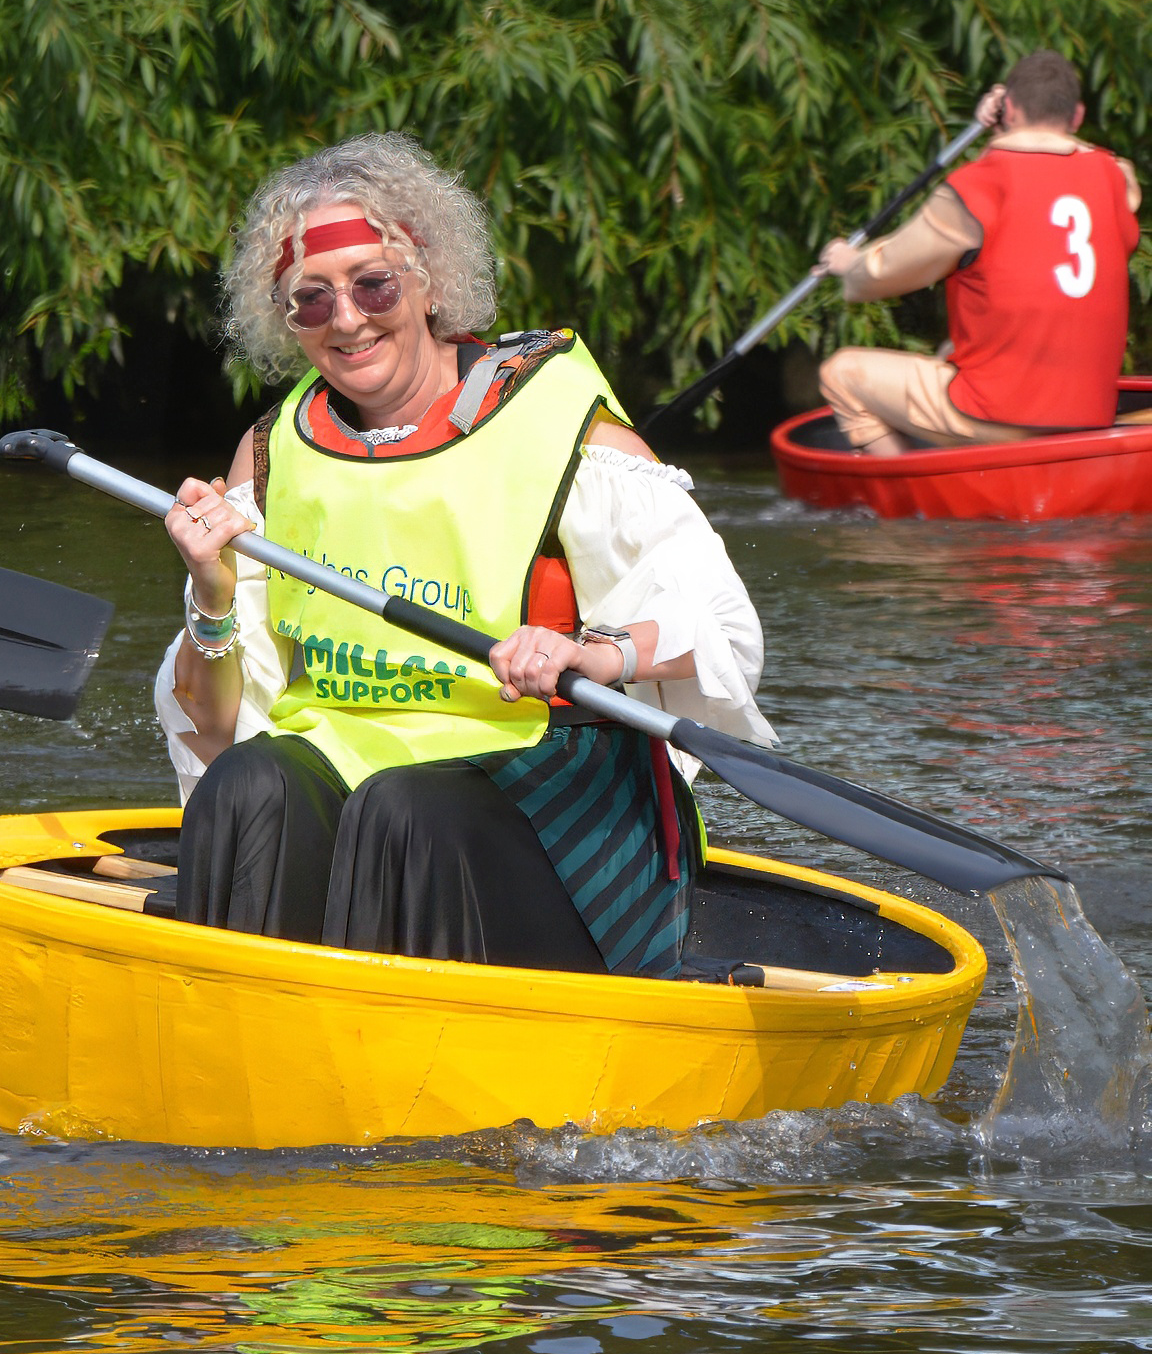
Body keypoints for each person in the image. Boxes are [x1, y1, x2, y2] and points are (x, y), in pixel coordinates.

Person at [151, 132, 774, 978]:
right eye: (310, 300)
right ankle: (251, 1028)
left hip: (543, 784)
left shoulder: (561, 421)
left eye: (372, 283)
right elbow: (217, 728)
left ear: (429, 277)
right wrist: (212, 595)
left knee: (405, 812)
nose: (345, 319)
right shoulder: (270, 453)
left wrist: (589, 650)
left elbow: (723, 629)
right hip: (354, 781)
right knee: (248, 785)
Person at [819, 51, 1142, 456]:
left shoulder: (976, 189)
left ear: (1007, 108)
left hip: (998, 414)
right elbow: (1087, 159)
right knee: (948, 354)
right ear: (1076, 117)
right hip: (1087, 411)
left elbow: (884, 273)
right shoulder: (1114, 179)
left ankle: (909, 510)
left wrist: (850, 263)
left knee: (841, 373)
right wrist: (1018, 131)